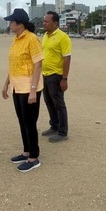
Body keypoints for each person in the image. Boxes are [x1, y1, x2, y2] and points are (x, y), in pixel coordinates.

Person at [1, 8, 44, 172]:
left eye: (11, 21)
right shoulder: (16, 39)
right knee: (22, 120)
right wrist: (6, 84)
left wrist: (33, 90)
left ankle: (34, 157)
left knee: (30, 122)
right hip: (17, 87)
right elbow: (14, 65)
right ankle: (26, 151)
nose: (10, 23)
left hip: (29, 88)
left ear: (19, 23)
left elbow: (38, 65)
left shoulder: (32, 39)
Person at [40, 11, 72, 142]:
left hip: (56, 75)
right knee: (48, 101)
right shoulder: (45, 36)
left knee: (59, 104)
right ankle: (54, 125)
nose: (44, 23)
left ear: (55, 23)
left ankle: (62, 132)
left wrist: (64, 78)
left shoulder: (62, 37)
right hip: (45, 74)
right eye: (44, 21)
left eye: (47, 21)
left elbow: (67, 58)